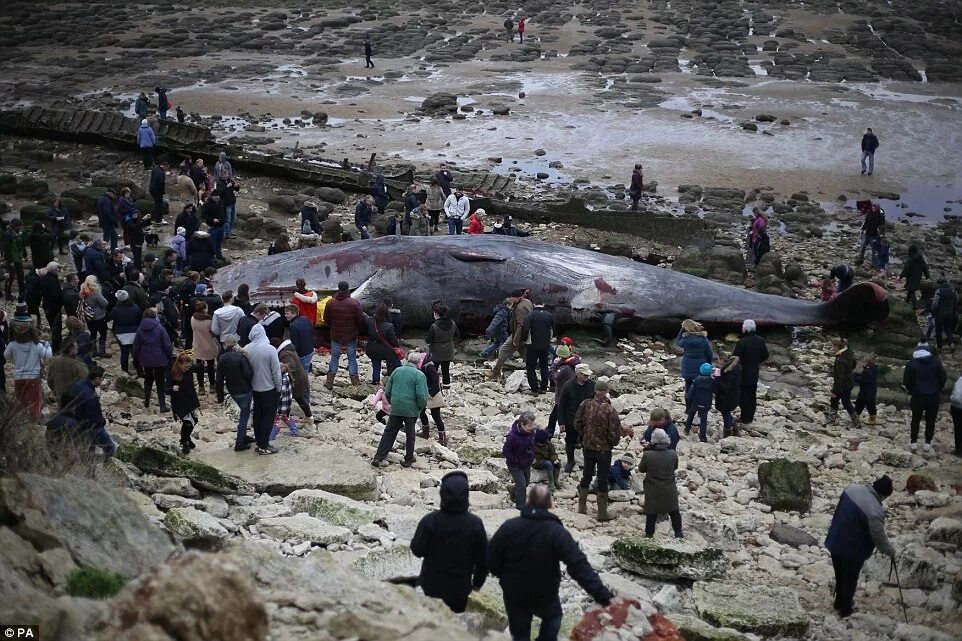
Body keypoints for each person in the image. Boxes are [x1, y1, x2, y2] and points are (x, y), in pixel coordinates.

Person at [488, 485, 615, 641]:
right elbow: (578, 566)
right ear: (550, 505)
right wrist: (605, 597)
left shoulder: (509, 526)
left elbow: (491, 557)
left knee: (519, 632)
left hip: (514, 591)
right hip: (544, 593)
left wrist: (503, 576)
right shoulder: (557, 532)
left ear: (528, 502)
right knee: (553, 617)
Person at [410, 470, 488, 613]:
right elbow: (483, 560)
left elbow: (417, 550)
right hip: (461, 586)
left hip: (431, 583)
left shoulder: (430, 521)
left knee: (434, 618)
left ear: (442, 494)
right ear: (466, 496)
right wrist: (477, 583)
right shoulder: (475, 524)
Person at [825, 475, 895, 617]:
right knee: (850, 578)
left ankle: (839, 602)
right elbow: (879, 537)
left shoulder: (851, 489)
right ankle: (845, 610)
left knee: (840, 574)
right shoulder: (874, 511)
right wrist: (890, 551)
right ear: (883, 495)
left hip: (835, 539)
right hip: (853, 549)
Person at [574, 381, 623, 522]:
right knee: (602, 479)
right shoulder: (610, 410)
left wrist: (585, 435)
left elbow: (577, 422)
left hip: (588, 447)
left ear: (595, 390)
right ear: (607, 391)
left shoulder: (585, 404)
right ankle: (602, 514)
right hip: (604, 450)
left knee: (586, 475)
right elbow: (615, 432)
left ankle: (581, 508)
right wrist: (611, 443)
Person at [372, 352, 428, 467]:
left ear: (407, 360)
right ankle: (408, 459)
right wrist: (419, 407)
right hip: (411, 409)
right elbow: (421, 396)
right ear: (418, 362)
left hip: (396, 407)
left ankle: (378, 457)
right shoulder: (419, 375)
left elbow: (387, 391)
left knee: (389, 432)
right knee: (410, 434)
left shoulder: (397, 371)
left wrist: (393, 402)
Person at [4, 304, 52, 420]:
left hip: (18, 377)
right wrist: (48, 345)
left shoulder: (12, 345)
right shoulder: (36, 345)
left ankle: (21, 421)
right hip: (33, 377)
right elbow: (48, 356)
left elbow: (6, 356)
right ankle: (33, 422)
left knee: (20, 401)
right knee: (35, 401)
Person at [245, 324, 283, 455]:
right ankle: (264, 444)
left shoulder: (247, 348)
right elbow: (276, 372)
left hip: (254, 388)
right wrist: (279, 388)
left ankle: (259, 442)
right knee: (268, 417)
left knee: (257, 416)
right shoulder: (270, 349)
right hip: (269, 389)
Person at [903, 345, 947, 452]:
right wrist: (938, 389)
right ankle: (928, 442)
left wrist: (911, 390)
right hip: (933, 395)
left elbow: (906, 380)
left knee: (915, 419)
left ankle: (914, 442)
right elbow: (943, 378)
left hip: (917, 395)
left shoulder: (912, 363)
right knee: (931, 420)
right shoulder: (936, 362)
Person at [216, 334, 255, 451]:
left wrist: (220, 396)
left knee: (243, 415)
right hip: (245, 390)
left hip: (232, 390)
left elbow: (219, 379)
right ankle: (239, 442)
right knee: (244, 416)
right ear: (236, 344)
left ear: (225, 344)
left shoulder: (222, 358)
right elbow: (249, 374)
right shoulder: (240, 356)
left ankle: (242, 436)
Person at [640, 428, 682, 538]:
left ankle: (649, 536)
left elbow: (641, 469)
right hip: (669, 488)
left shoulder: (648, 455)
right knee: (674, 512)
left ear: (653, 440)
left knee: (651, 513)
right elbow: (675, 467)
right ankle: (679, 534)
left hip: (653, 489)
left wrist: (647, 449)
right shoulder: (673, 454)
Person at [323, 281, 364, 388]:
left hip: (336, 335)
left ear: (338, 288)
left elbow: (326, 319)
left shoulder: (330, 303)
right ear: (348, 289)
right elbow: (360, 321)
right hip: (351, 336)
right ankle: (355, 382)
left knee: (334, 357)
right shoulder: (355, 303)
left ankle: (329, 382)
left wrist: (333, 326)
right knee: (352, 358)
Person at [72, 366, 117, 457]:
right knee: (111, 447)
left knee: (89, 449)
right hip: (92, 427)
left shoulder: (79, 384)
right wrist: (102, 422)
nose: (102, 381)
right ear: (97, 378)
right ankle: (107, 466)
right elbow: (94, 417)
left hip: (78, 423)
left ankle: (90, 466)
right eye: (102, 378)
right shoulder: (90, 396)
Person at [558, 363, 595, 473]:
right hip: (571, 419)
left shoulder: (592, 385)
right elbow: (561, 405)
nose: (587, 377)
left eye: (588, 375)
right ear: (578, 374)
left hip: (587, 420)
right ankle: (570, 461)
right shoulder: (568, 386)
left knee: (587, 443)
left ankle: (589, 465)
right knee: (570, 441)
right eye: (585, 375)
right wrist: (561, 422)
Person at [133, 308, 172, 411]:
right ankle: (162, 406)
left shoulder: (140, 329)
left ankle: (146, 401)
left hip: (146, 359)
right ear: (154, 317)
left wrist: (135, 358)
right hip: (160, 359)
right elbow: (167, 344)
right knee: (160, 382)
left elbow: (136, 346)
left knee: (148, 380)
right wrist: (169, 356)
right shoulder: (159, 327)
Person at [489, 289, 533, 379]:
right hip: (526, 334)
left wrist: (515, 339)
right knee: (525, 354)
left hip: (518, 335)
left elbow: (521, 325)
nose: (511, 299)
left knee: (503, 350)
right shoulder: (527, 302)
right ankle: (532, 373)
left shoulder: (520, 309)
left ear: (517, 297)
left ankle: (495, 372)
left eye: (512, 297)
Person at [733, 319, 768, 429]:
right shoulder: (761, 340)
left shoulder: (742, 342)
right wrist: (756, 362)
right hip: (754, 371)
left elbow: (735, 359)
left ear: (745, 328)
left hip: (742, 372)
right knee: (752, 395)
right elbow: (765, 355)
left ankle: (744, 417)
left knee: (743, 396)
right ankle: (750, 416)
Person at [503, 411, 538, 511]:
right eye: (529, 425)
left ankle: (513, 489)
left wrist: (533, 455)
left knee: (526, 482)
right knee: (522, 485)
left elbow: (533, 444)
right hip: (515, 464)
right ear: (522, 424)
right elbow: (506, 451)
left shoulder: (531, 432)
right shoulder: (512, 436)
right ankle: (520, 507)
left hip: (527, 462)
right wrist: (515, 460)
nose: (531, 427)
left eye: (532, 425)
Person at [676, 319, 713, 411]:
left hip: (687, 365)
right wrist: (708, 364)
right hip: (700, 366)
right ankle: (699, 408)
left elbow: (678, 341)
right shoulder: (703, 339)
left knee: (688, 386)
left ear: (685, 328)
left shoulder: (685, 339)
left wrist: (681, 330)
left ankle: (688, 409)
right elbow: (709, 353)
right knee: (699, 387)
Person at [168, 352, 201, 454]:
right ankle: (183, 441)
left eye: (188, 366)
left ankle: (187, 438)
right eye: (185, 366)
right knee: (187, 422)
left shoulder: (189, 369)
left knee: (194, 420)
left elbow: (199, 369)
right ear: (179, 364)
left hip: (191, 399)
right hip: (179, 402)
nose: (187, 368)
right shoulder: (172, 372)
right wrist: (173, 388)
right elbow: (165, 389)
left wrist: (202, 362)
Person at [519, 302, 554, 395]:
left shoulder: (530, 315)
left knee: (531, 367)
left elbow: (525, 328)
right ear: (543, 304)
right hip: (545, 345)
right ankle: (544, 387)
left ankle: (534, 388)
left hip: (532, 345)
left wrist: (523, 339)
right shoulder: (549, 315)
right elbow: (554, 328)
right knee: (544, 366)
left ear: (534, 304)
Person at [277, 338, 313, 425]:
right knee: (299, 398)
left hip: (296, 380)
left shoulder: (284, 354)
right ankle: (308, 417)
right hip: (299, 376)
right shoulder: (289, 349)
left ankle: (308, 417)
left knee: (296, 398)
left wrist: (284, 372)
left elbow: (291, 366)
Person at [546, 344, 579, 435]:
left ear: (560, 356)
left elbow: (554, 378)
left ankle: (549, 432)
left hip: (563, 395)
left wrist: (554, 365)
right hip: (573, 394)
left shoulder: (564, 368)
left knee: (554, 416)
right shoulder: (575, 362)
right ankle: (576, 439)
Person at [364, 304, 401, 384]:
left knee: (376, 365)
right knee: (397, 364)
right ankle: (402, 377)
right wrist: (397, 345)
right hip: (386, 350)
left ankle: (375, 381)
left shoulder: (370, 321)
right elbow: (393, 341)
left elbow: (364, 316)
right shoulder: (389, 326)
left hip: (372, 348)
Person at [33, 261, 65, 352]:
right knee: (56, 328)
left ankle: (56, 345)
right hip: (54, 308)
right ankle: (57, 347)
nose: (59, 271)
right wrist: (62, 303)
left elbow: (39, 292)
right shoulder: (53, 281)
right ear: (54, 270)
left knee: (53, 326)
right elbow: (57, 295)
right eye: (58, 269)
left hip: (47, 306)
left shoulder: (43, 279)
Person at [425, 305, 458, 387]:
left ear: (436, 314)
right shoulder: (453, 323)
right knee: (445, 369)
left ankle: (433, 386)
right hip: (448, 350)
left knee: (434, 369)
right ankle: (447, 387)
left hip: (436, 352)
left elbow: (428, 340)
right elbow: (458, 334)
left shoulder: (434, 326)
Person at [46, 340, 88, 404]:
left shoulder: (54, 361)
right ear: (70, 349)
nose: (77, 348)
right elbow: (86, 381)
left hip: (60, 399)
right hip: (75, 400)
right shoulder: (77, 364)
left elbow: (49, 380)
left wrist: (56, 393)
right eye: (76, 346)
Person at [829, 338, 858, 428]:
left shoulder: (840, 360)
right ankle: (856, 422)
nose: (832, 348)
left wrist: (834, 390)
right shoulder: (848, 354)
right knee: (846, 402)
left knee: (834, 400)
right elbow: (854, 363)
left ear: (837, 347)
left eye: (833, 346)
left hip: (842, 385)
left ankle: (831, 421)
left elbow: (839, 377)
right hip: (849, 382)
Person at [713, 354, 742, 438]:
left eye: (719, 361)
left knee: (725, 414)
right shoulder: (735, 367)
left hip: (726, 397)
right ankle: (735, 429)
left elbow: (725, 386)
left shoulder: (731, 372)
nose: (718, 362)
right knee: (727, 413)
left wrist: (717, 376)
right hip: (732, 396)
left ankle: (727, 435)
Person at [685, 363, 714, 442]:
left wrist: (688, 398)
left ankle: (687, 430)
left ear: (700, 370)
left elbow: (691, 392)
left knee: (691, 415)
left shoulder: (697, 380)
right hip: (706, 403)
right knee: (703, 421)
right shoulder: (712, 381)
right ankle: (703, 437)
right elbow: (716, 391)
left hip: (695, 402)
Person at [931, 274, 958, 349]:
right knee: (948, 328)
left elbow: (935, 303)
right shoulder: (953, 290)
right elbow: (956, 301)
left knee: (938, 330)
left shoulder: (939, 290)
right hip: (950, 313)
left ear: (940, 283)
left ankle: (939, 346)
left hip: (940, 313)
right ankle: (951, 343)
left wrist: (933, 311)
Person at [899, 245, 929, 310]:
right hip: (918, 278)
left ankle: (915, 307)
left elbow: (906, 269)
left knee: (911, 290)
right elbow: (925, 267)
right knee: (910, 290)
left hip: (910, 277)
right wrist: (927, 276)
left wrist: (901, 276)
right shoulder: (921, 259)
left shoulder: (911, 259)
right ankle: (906, 302)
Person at [2, 219, 26, 300]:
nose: (20, 227)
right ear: (14, 225)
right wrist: (10, 260)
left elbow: (21, 244)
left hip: (18, 259)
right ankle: (8, 295)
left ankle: (22, 293)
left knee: (21, 276)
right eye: (19, 226)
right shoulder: (7, 234)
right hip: (11, 260)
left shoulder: (18, 233)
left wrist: (24, 254)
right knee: (10, 277)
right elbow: (7, 248)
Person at [853, 355, 879, 426]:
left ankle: (855, 418)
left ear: (868, 362)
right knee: (871, 405)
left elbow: (863, 380)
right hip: (871, 391)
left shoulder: (868, 371)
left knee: (859, 404)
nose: (864, 362)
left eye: (865, 361)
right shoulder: (873, 369)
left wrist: (854, 377)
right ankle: (872, 419)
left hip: (865, 392)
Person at [201, 193, 226, 260]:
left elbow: (224, 211)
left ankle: (219, 254)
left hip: (221, 225)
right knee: (212, 242)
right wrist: (212, 220)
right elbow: (204, 215)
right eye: (216, 197)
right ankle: (212, 256)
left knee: (219, 242)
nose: (218, 199)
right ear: (212, 197)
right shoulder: (207, 204)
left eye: (218, 197)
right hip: (212, 226)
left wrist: (224, 219)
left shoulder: (221, 202)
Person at [215, 171, 240, 238]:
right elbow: (219, 192)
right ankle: (227, 234)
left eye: (227, 175)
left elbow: (237, 189)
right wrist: (226, 186)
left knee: (233, 218)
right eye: (224, 175)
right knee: (227, 219)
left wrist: (237, 186)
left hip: (232, 202)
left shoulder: (230, 181)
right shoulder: (219, 183)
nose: (226, 176)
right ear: (221, 175)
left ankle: (230, 231)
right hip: (225, 203)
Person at [149, 158, 168, 224]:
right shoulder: (161, 173)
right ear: (165, 166)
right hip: (157, 191)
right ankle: (159, 220)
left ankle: (157, 218)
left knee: (157, 204)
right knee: (159, 205)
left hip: (152, 188)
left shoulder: (155, 169)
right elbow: (161, 184)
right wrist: (162, 192)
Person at [950, 372, 962, 457]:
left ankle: (959, 449)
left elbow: (957, 396)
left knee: (958, 428)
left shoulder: (960, 380)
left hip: (957, 407)